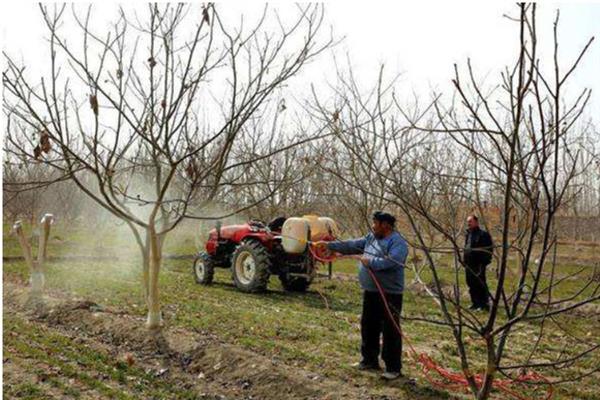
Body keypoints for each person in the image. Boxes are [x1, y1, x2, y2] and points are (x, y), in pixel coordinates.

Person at [320, 211, 408, 380]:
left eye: (375, 223)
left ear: (386, 225)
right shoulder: (371, 238)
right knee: (368, 325)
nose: (373, 226)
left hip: (389, 294)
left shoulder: (398, 243)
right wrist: (330, 245)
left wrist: (371, 262)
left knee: (390, 330)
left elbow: (393, 262)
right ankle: (369, 360)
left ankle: (393, 368)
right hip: (371, 292)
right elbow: (352, 245)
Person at [463, 215, 494, 311]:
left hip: (478, 264)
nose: (468, 223)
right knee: (471, 283)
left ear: (476, 222)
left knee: (480, 283)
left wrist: (483, 263)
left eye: (470, 221)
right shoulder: (468, 234)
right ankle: (475, 303)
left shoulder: (483, 235)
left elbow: (488, 250)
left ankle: (484, 304)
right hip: (469, 264)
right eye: (468, 221)